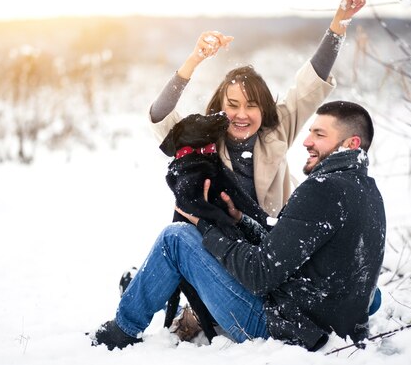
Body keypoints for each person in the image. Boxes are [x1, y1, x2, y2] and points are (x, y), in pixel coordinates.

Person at [90, 101, 387, 351]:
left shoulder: (322, 189)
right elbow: (290, 253)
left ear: (352, 143)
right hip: (327, 321)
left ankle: (123, 330)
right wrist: (241, 222)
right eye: (309, 131)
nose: (307, 141)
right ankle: (180, 311)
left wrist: (204, 226)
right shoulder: (367, 191)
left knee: (176, 238)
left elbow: (260, 275)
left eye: (319, 134)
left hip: (284, 327)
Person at [149, 0, 366, 217]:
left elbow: (311, 81)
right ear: (220, 107)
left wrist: (340, 22)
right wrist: (193, 61)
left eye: (251, 106)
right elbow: (161, 116)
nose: (241, 114)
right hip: (219, 244)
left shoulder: (277, 128)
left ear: (263, 110)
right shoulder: (203, 138)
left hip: (269, 244)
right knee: (173, 237)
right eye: (233, 105)